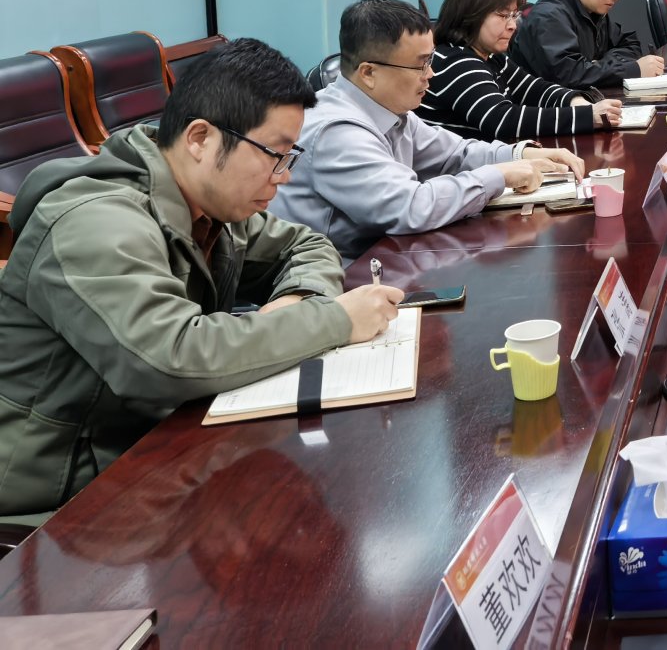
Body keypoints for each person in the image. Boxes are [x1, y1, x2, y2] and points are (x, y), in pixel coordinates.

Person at [0, 39, 404, 518]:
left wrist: (298, 299)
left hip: (150, 448)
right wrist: (333, 319)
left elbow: (307, 245)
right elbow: (170, 358)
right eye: (274, 154)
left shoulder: (211, 205)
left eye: (289, 157)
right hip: (55, 494)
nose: (284, 177)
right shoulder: (94, 222)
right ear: (199, 139)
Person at [274, 0, 584, 261]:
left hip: (388, 257)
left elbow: (455, 154)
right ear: (368, 72)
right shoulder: (337, 131)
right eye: (420, 64)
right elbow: (411, 208)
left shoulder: (391, 110)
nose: (431, 74)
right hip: (339, 279)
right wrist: (499, 175)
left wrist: (520, 154)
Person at [422, 0, 622, 141]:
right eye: (503, 15)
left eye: (514, 15)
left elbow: (533, 89)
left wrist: (576, 102)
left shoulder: (492, 57)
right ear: (470, 16)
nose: (512, 25)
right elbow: (503, 120)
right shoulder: (456, 62)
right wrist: (586, 116)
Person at [511, 0, 664, 89]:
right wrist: (632, 70)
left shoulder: (592, 10)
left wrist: (599, 65)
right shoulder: (549, 15)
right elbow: (569, 74)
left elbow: (630, 43)